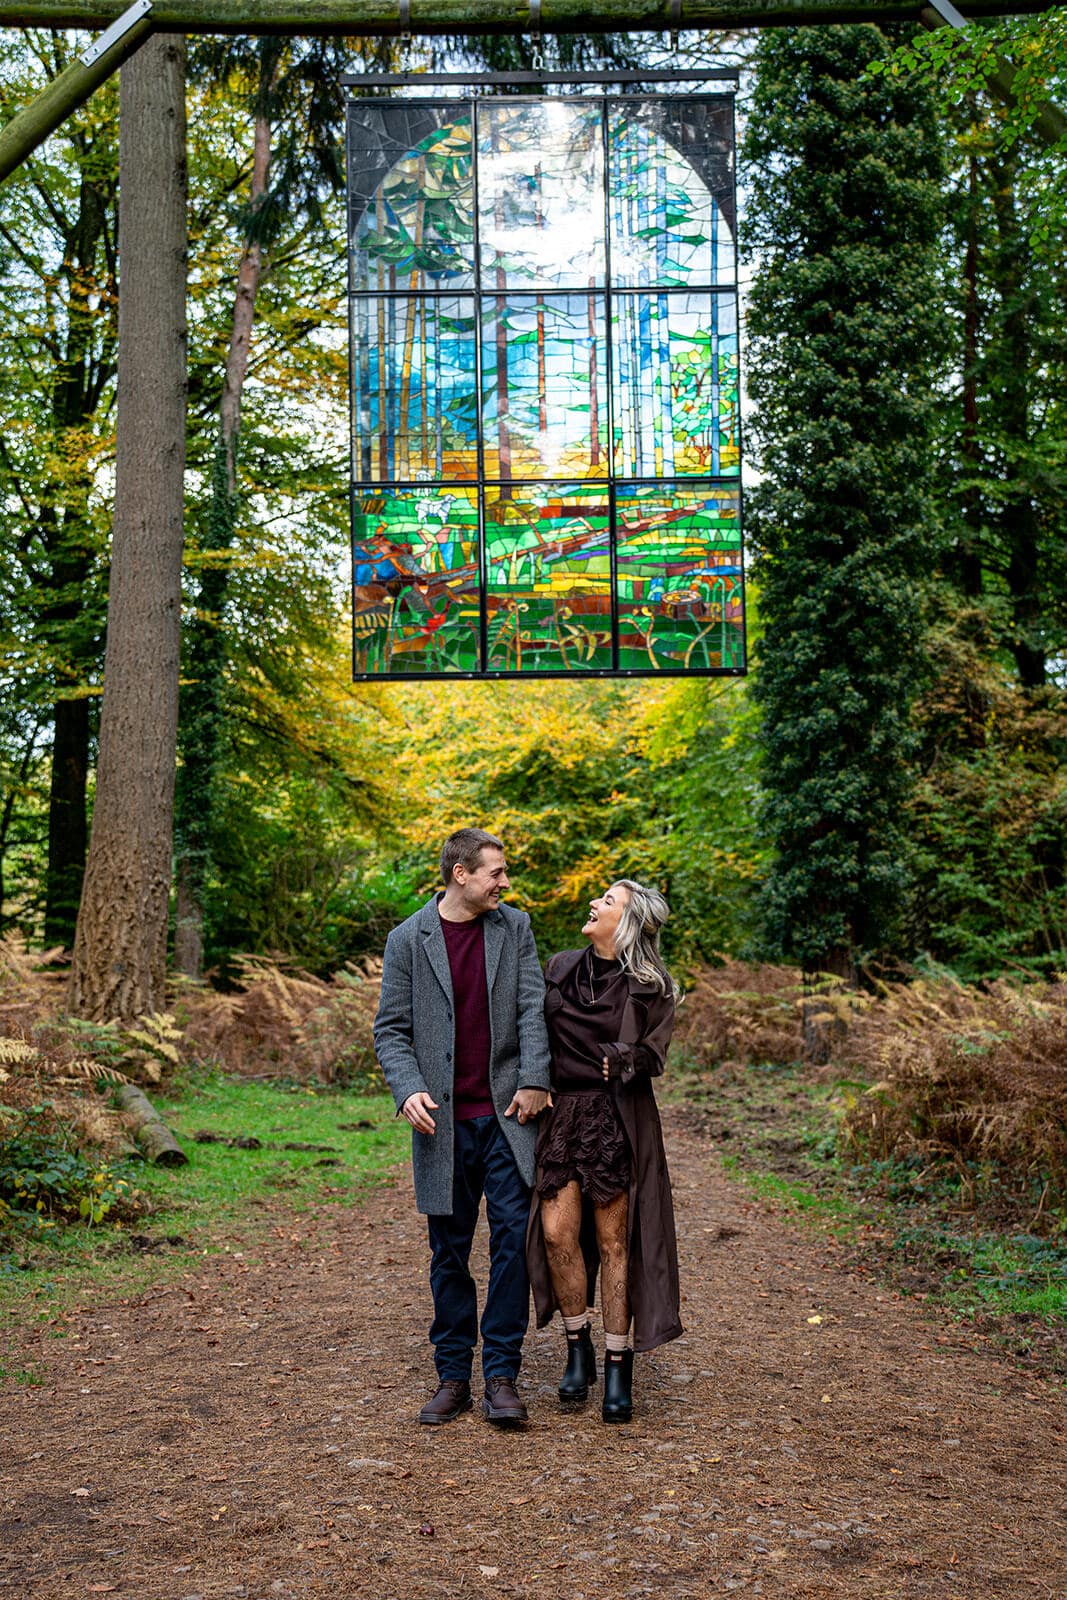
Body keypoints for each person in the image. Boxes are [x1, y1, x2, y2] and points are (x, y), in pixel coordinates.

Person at [374, 827, 552, 1428]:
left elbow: (532, 1007)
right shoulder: (407, 940)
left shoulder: (516, 928)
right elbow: (391, 1030)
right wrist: (407, 1090)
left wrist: (535, 1077)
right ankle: (453, 1376)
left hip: (507, 1121)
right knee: (448, 1253)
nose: (505, 882)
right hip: (440, 1127)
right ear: (461, 874)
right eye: (496, 872)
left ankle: (502, 1375)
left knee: (511, 1248)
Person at [527, 880, 682, 1424]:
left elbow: (654, 1054)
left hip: (613, 1119)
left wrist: (627, 1058)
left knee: (616, 1243)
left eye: (607, 901)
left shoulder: (652, 985)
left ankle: (618, 1368)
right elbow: (531, 1031)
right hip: (561, 1114)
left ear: (630, 921)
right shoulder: (560, 967)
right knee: (556, 1234)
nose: (594, 904)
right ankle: (578, 1347)